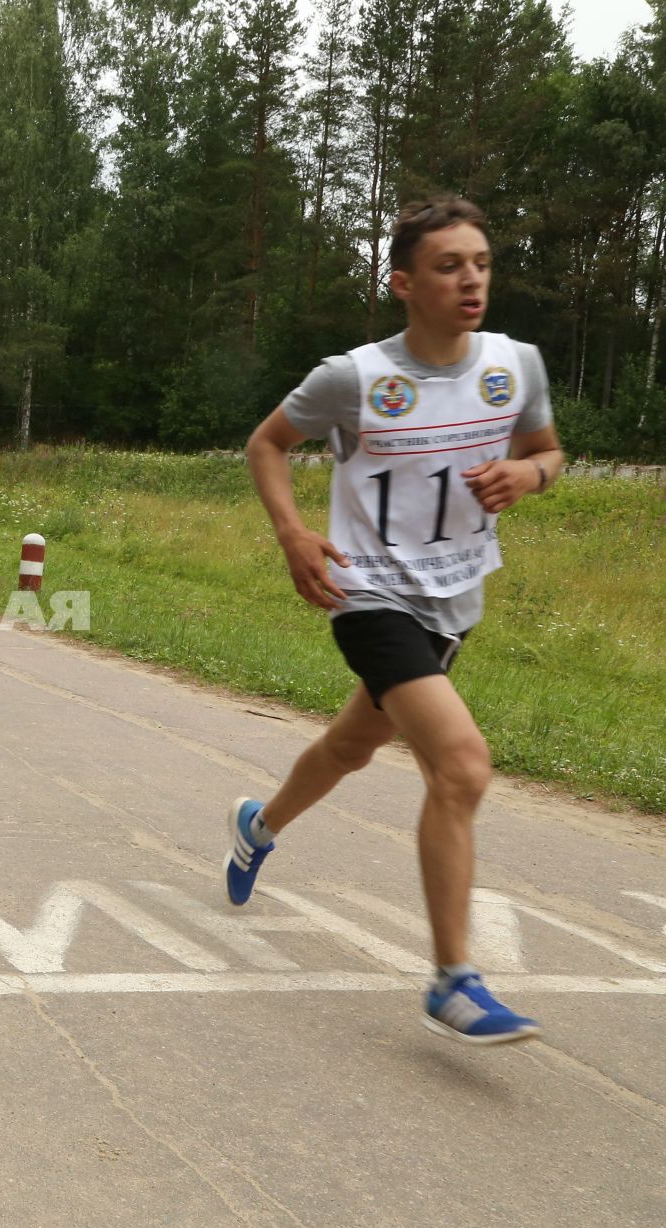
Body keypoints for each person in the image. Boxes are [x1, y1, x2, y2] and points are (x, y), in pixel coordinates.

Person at [229, 196, 564, 1046]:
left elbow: (547, 450)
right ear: (404, 283)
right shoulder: (352, 377)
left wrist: (532, 478)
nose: (471, 279)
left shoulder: (514, 365)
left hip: (457, 600)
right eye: (450, 266)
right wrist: (294, 533)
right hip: (368, 594)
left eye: (481, 263)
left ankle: (257, 827)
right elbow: (266, 444)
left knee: (351, 746)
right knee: (460, 767)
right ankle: (454, 980)